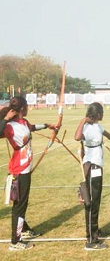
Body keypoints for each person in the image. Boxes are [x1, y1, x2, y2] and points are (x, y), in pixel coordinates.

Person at [0, 97, 56, 251]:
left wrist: (47, 126)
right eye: (27, 106)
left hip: (25, 167)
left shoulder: (23, 122)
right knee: (20, 206)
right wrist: (5, 118)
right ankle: (15, 242)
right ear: (22, 108)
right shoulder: (9, 126)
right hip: (19, 168)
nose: (29, 108)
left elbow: (31, 127)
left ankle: (23, 231)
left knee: (21, 204)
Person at [74, 102, 110, 250]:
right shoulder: (88, 128)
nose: (103, 115)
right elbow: (77, 137)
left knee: (96, 201)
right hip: (91, 166)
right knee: (91, 203)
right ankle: (91, 240)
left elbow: (105, 133)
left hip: (98, 166)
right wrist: (83, 120)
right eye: (101, 113)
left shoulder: (97, 126)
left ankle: (94, 230)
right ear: (97, 114)